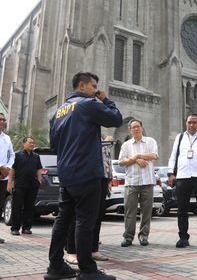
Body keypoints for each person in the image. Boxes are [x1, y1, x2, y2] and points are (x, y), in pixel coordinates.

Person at [45, 72, 122, 280]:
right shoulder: (88, 104)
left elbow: (54, 145)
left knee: (63, 219)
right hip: (87, 172)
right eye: (94, 86)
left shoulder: (57, 112)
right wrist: (105, 99)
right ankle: (88, 270)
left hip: (66, 174)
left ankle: (55, 266)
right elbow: (116, 118)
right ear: (82, 86)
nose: (96, 90)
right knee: (85, 221)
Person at [168, 114, 197, 250]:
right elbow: (173, 156)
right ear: (186, 123)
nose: (191, 125)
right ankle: (183, 238)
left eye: (194, 123)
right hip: (182, 176)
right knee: (182, 209)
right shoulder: (180, 138)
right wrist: (171, 173)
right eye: (189, 122)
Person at [65, 134, 114, 264]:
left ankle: (93, 249)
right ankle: (71, 251)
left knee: (97, 215)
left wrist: (109, 179)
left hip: (103, 179)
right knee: (78, 216)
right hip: (88, 177)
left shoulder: (103, 137)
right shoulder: (85, 133)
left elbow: (108, 160)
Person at [119, 119, 159, 247]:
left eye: (138, 127)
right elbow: (121, 162)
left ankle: (143, 236)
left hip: (147, 181)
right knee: (130, 212)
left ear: (142, 128)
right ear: (129, 130)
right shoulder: (126, 145)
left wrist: (138, 156)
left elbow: (154, 156)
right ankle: (128, 237)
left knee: (146, 212)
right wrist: (135, 160)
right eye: (133, 127)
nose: (136, 129)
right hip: (131, 182)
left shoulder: (150, 141)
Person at [7, 136, 43, 235]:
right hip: (19, 185)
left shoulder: (36, 156)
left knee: (29, 207)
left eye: (33, 143)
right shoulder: (17, 155)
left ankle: (26, 228)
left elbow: (39, 168)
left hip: (32, 185)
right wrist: (10, 182)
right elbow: (12, 169)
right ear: (24, 144)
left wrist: (39, 180)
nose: (32, 144)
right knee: (17, 207)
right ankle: (15, 228)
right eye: (30, 142)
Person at [0, 112, 15, 244]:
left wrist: (8, 168)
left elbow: (12, 155)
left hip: (3, 177)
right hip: (1, 171)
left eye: (3, 119)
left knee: (0, 206)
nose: (2, 121)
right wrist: (1, 167)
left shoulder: (7, 138)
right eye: (0, 119)